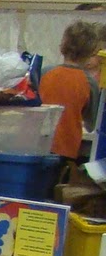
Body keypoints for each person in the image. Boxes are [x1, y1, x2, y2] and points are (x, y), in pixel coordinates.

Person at [39, 19, 103, 161]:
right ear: (92, 51)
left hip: (37, 143)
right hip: (67, 147)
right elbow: (92, 123)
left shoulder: (44, 73)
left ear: (63, 45)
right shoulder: (89, 82)